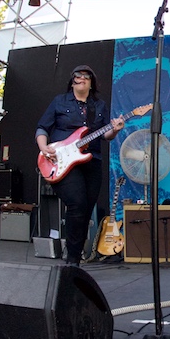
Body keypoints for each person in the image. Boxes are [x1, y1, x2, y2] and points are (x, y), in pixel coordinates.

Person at [36, 65, 125, 265]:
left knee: (86, 209)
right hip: (60, 160)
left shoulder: (99, 106)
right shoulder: (60, 101)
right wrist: (43, 147)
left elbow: (105, 135)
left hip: (91, 160)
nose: (82, 78)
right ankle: (73, 260)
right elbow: (42, 127)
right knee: (77, 203)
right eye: (78, 75)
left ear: (91, 82)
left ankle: (75, 253)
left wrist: (116, 130)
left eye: (87, 76)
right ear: (73, 80)